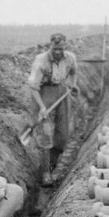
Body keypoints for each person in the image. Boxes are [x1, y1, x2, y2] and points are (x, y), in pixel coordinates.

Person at [28, 32, 78, 186]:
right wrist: (42, 107)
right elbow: (33, 87)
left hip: (62, 92)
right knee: (46, 134)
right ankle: (45, 173)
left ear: (64, 48)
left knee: (62, 135)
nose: (57, 52)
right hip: (44, 93)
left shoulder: (70, 58)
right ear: (51, 46)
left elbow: (73, 72)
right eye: (55, 49)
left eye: (60, 49)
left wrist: (72, 84)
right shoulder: (41, 61)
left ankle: (53, 163)